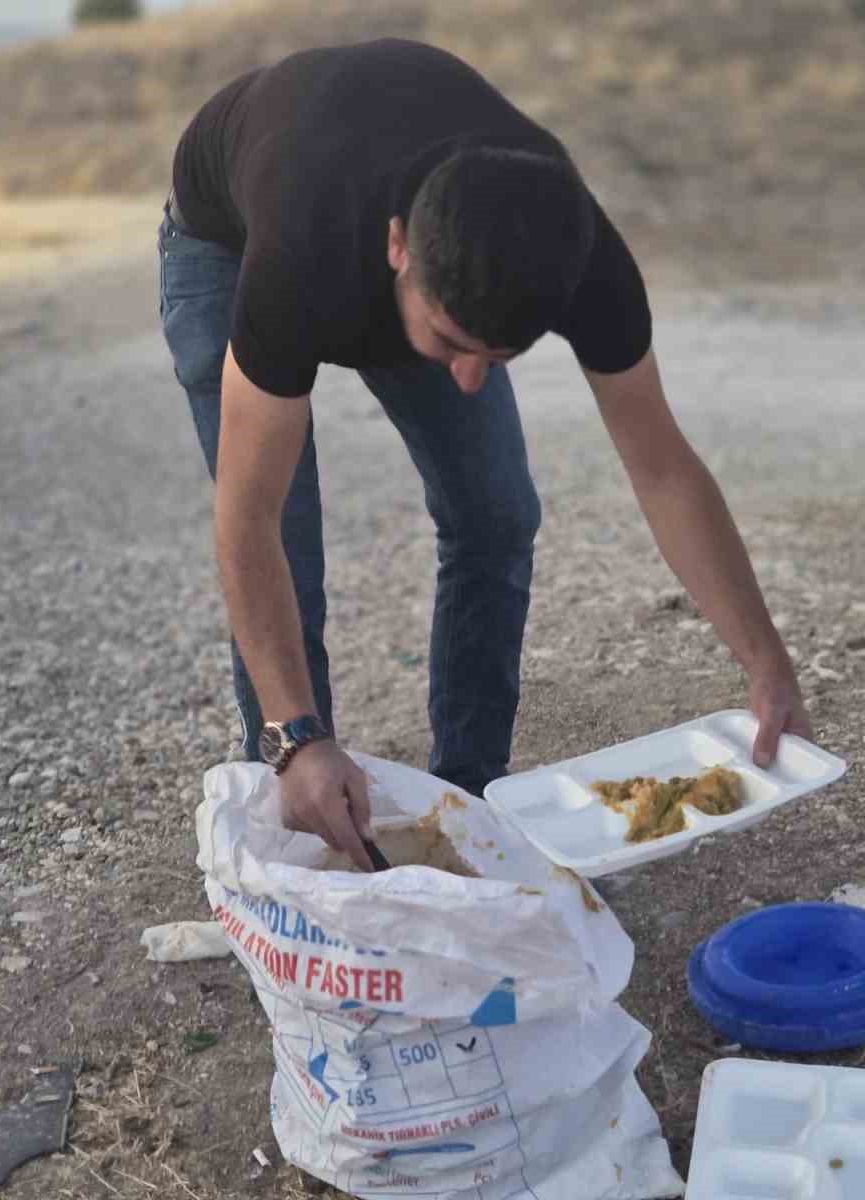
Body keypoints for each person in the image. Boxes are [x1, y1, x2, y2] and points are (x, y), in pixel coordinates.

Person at [160, 38, 810, 870]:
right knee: (287, 539)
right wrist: (297, 739)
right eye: (457, 344)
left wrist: (767, 661)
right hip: (226, 238)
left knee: (496, 513)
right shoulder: (301, 253)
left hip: (399, 241)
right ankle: (298, 825)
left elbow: (664, 468)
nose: (470, 380)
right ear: (399, 247)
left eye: (501, 359)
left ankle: (467, 809)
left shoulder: (577, 257)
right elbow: (245, 522)